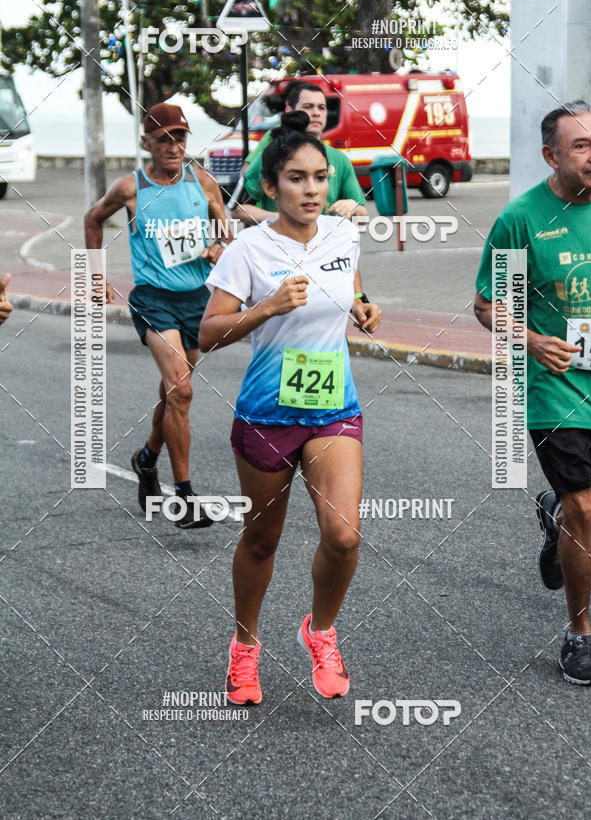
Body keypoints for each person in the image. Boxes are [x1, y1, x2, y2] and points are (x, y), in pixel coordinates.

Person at [199, 111, 381, 704]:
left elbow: (351, 288)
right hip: (267, 412)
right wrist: (268, 307)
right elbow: (208, 334)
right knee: (261, 541)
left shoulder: (342, 236)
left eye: (320, 178)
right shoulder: (247, 250)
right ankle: (245, 646)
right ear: (271, 186)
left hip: (333, 407)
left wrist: (363, 308)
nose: (311, 190)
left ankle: (320, 631)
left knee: (344, 535)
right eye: (297, 179)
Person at [474, 100, 591, 685]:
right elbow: (487, 305)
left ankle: (554, 519)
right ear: (551, 155)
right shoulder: (523, 219)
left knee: (588, 512)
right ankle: (579, 637)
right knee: (587, 506)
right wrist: (531, 340)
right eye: (581, 146)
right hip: (556, 386)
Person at [84, 102, 231, 529]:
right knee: (181, 391)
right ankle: (184, 497)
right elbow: (93, 219)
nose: (173, 146)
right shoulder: (131, 187)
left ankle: (146, 457)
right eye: (164, 138)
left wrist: (220, 248)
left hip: (195, 300)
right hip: (152, 298)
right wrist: (96, 275)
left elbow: (225, 234)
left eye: (180, 137)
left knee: (173, 391)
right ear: (146, 142)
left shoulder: (202, 182)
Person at [232, 82, 369, 226]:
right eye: (308, 107)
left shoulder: (340, 159)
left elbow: (363, 217)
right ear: (289, 110)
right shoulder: (271, 153)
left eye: (321, 108)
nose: (316, 113)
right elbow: (237, 210)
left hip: (324, 247)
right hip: (278, 245)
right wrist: (286, 220)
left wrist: (352, 206)